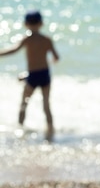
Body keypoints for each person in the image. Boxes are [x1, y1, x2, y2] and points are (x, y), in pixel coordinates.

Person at [0, 11, 60, 141]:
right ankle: (50, 130)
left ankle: (20, 130)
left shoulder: (27, 39)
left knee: (23, 104)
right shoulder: (47, 40)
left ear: (26, 24)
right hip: (45, 75)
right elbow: (56, 57)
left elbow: (13, 50)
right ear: (41, 23)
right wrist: (48, 63)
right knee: (46, 105)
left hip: (33, 76)